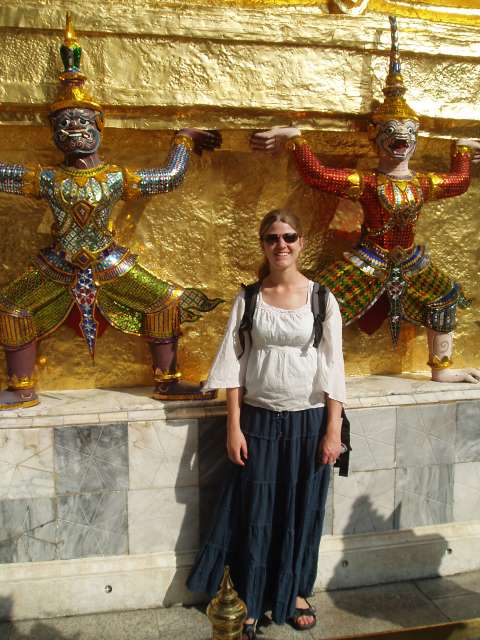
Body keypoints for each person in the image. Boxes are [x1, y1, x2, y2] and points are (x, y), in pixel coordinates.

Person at [0, 15, 222, 409]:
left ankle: (167, 381)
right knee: (10, 307)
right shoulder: (47, 178)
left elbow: (168, 178)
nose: (73, 128)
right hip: (58, 262)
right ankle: (21, 386)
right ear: (53, 133)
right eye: (64, 123)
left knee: (165, 301)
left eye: (82, 121)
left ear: (99, 127)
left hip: (107, 259)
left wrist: (183, 141)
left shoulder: (117, 177)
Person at [251, 17, 480, 383]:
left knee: (446, 296)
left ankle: (441, 369)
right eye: (391, 132)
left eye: (407, 133)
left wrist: (463, 152)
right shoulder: (368, 183)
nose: (400, 139)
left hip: (410, 260)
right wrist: (296, 139)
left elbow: (459, 183)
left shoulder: (423, 183)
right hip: (368, 258)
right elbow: (317, 175)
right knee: (320, 301)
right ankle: (312, 369)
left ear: (416, 139)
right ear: (377, 138)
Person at [187, 209, 346, 638]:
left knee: (302, 509)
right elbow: (232, 366)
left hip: (308, 420)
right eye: (273, 238)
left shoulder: (322, 298)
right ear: (263, 244)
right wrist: (233, 427)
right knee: (255, 510)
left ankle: (295, 593)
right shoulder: (250, 298)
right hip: (257, 419)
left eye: (289, 237)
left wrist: (333, 431)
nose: (282, 245)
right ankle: (251, 598)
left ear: (301, 242)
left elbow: (334, 367)